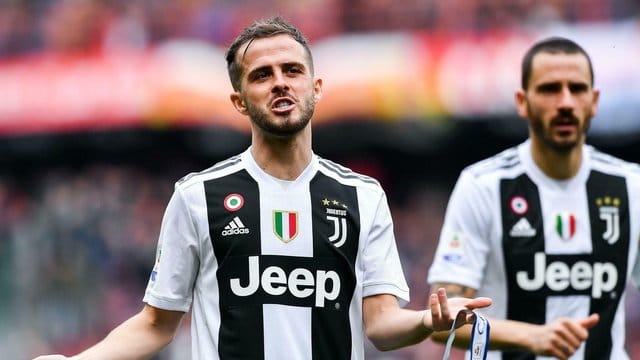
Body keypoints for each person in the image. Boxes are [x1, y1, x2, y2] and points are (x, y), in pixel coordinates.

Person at [33, 16, 491, 360]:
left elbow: (381, 324)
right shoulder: (199, 197)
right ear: (239, 100)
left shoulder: (362, 196)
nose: (279, 84)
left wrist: (427, 321)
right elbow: (155, 324)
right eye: (261, 75)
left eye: (291, 70)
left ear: (316, 86)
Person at [427, 36, 640, 360]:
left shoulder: (631, 186)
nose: (566, 101)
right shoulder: (483, 186)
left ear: (594, 100)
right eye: (550, 89)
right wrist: (531, 336)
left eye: (577, 89)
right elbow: (443, 323)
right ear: (522, 101)